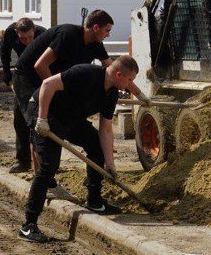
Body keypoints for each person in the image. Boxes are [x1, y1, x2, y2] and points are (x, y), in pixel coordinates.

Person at [19, 56, 140, 242]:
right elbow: (47, 85)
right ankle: (28, 225)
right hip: (45, 111)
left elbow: (106, 129)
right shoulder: (85, 73)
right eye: (130, 80)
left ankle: (94, 201)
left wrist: (110, 163)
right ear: (118, 74)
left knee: (97, 147)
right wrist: (42, 119)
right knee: (49, 166)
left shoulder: (111, 94)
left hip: (70, 118)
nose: (131, 84)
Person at [1, 17, 46, 173]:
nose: (27, 41)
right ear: (16, 32)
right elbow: (4, 53)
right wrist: (7, 75)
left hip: (40, 76)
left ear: (34, 30)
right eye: (23, 38)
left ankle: (46, 162)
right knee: (20, 119)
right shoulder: (9, 33)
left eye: (30, 37)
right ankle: (23, 161)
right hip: (21, 76)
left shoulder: (43, 35)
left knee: (39, 120)